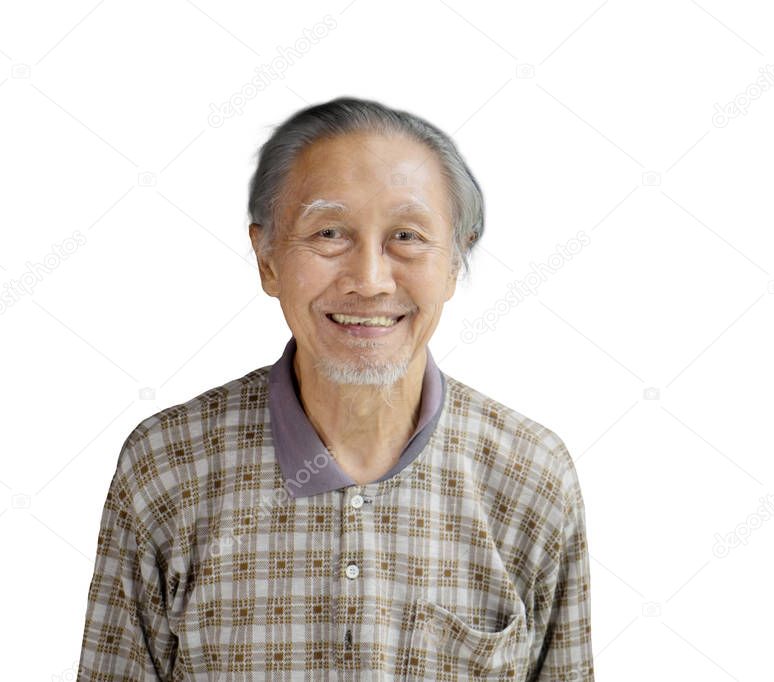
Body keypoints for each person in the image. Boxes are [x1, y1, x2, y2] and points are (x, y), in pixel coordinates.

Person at [76, 96, 594, 680]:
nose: (370, 281)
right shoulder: (167, 464)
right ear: (267, 258)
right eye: (328, 232)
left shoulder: (531, 474)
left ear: (454, 261)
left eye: (407, 235)